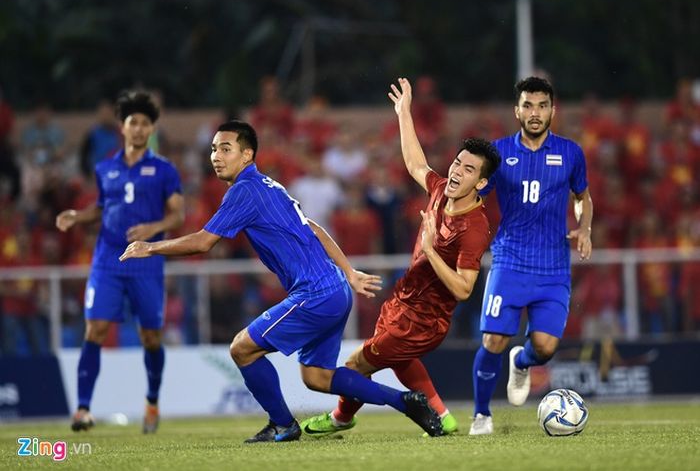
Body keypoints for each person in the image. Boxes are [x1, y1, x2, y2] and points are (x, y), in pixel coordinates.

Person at [119, 119, 443, 443]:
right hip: (335, 290)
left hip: (315, 293)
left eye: (226, 149)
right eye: (214, 149)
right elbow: (313, 227)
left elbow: (204, 242)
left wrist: (151, 247)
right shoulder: (270, 185)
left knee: (242, 349)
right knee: (317, 377)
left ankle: (282, 424)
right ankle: (405, 401)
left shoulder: (243, 191)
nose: (216, 156)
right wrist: (348, 272)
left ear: (247, 155)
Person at [300, 78, 501, 437]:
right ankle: (443, 415)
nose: (456, 172)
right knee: (399, 361)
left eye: (469, 170)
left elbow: (464, 289)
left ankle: (340, 418)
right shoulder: (441, 190)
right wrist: (403, 113)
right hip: (403, 301)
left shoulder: (473, 228)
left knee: (355, 365)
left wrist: (428, 251)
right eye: (458, 163)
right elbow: (414, 163)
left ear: (482, 183)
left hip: (425, 320)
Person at [55, 90, 185, 434]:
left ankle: (152, 401)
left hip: (146, 262)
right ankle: (82, 410)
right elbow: (102, 209)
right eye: (133, 122)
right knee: (94, 330)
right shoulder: (105, 168)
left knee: (151, 338)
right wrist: (77, 217)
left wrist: (154, 228)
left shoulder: (164, 170)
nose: (139, 129)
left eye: (145, 123)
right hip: (107, 261)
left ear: (152, 128)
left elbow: (177, 215)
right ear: (122, 127)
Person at [469, 76, 593, 435]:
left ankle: (521, 363)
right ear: (517, 111)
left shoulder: (571, 152)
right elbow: (475, 195)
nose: (535, 113)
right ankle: (482, 415)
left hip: (553, 266)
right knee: (493, 339)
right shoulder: (497, 153)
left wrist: (584, 229)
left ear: (553, 110)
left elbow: (582, 197)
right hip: (509, 260)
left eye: (541, 105)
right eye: (528, 105)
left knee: (544, 347)